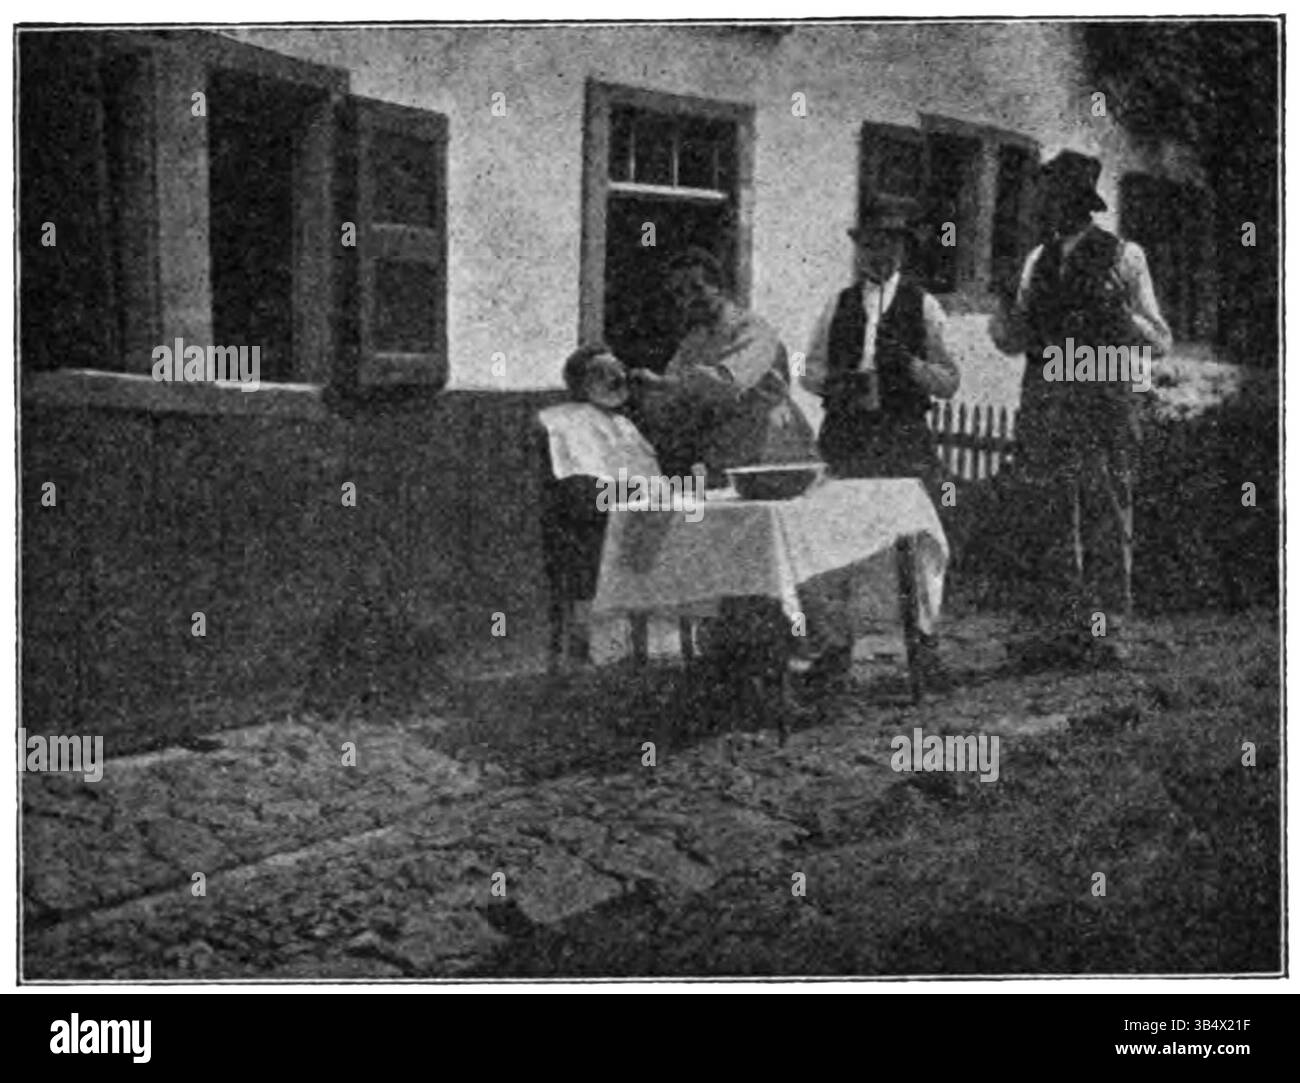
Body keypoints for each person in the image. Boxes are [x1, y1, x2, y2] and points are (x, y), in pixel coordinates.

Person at [990, 149, 1172, 666]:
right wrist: (1004, 308)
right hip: (1048, 398)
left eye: (1060, 199)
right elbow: (1013, 339)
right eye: (1046, 199)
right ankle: (1058, 630)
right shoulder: (1037, 261)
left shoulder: (1125, 257)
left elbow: (1160, 340)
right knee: (1051, 511)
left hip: (1104, 398)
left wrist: (1124, 316)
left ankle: (1105, 630)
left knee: (1104, 510)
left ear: (1082, 204)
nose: (1051, 209)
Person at [797, 198, 960, 686]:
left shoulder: (923, 304)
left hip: (902, 436)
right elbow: (808, 369)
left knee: (915, 541)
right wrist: (833, 383)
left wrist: (909, 366)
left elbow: (949, 381)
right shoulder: (839, 302)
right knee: (829, 540)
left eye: (889, 245)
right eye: (869, 244)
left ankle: (923, 647)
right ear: (858, 249)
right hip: (847, 435)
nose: (878, 254)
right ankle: (833, 651)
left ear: (904, 249)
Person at [629, 246, 816, 481]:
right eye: (679, 293)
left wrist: (662, 383)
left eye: (697, 288)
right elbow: (672, 396)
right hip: (722, 448)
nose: (689, 298)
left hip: (770, 447)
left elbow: (727, 383)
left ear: (719, 287)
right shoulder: (693, 340)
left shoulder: (753, 328)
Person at [537, 344, 660, 664]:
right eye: (603, 373)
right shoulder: (564, 423)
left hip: (639, 518)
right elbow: (584, 493)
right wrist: (640, 496)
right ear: (580, 382)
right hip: (591, 529)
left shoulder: (625, 424)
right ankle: (606, 648)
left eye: (619, 369)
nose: (617, 377)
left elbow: (650, 479)